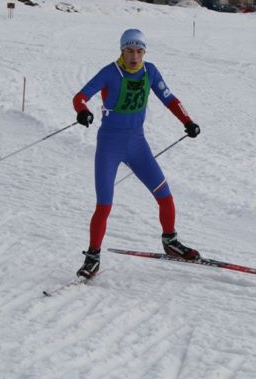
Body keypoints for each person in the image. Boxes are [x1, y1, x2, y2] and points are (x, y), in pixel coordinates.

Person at [72, 28, 201, 278]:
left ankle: (170, 241)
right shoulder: (110, 72)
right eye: (129, 51)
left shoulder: (150, 71)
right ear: (122, 51)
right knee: (104, 205)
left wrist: (188, 121)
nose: (134, 57)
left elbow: (170, 99)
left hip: (137, 144)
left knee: (165, 196)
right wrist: (82, 111)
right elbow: (80, 97)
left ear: (144, 52)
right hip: (110, 145)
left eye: (139, 51)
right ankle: (92, 257)